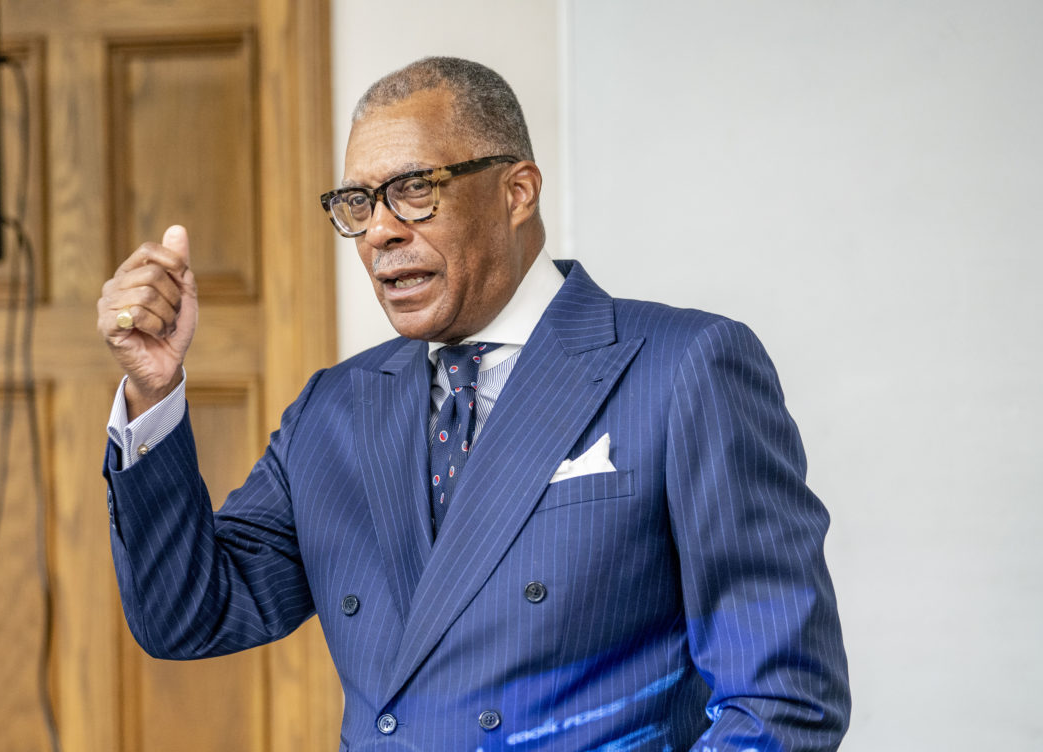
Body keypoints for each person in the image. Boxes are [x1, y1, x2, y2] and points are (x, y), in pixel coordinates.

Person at [95, 56, 849, 751]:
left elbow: (782, 697)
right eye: (359, 202)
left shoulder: (685, 366)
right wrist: (153, 390)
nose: (382, 230)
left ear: (516, 191)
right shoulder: (334, 409)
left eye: (415, 190)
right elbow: (190, 616)